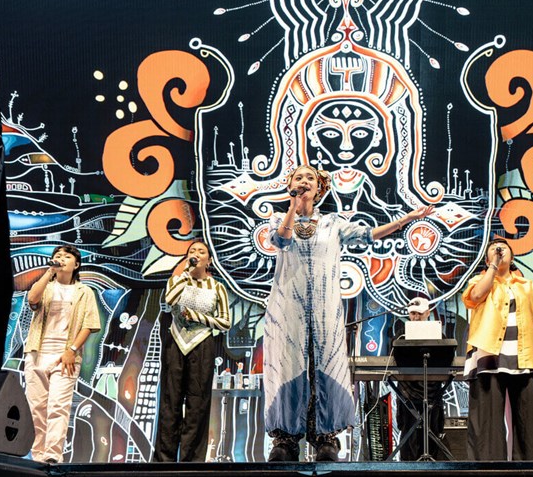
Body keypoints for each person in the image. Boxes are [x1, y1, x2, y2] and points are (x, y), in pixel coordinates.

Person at [263, 164, 434, 462]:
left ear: (320, 189)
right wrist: (293, 206)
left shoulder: (333, 223)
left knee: (324, 367)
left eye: (310, 179)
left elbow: (370, 234)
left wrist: (407, 219)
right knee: (288, 368)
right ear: (290, 184)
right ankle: (286, 439)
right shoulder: (279, 218)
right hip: (288, 310)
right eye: (298, 178)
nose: (304, 182)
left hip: (325, 311)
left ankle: (325, 437)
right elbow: (281, 240)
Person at [462, 238, 533, 461]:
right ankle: (489, 468)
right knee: (488, 419)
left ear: (512, 257)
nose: (499, 251)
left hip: (523, 353)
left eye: (503, 249)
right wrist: (492, 267)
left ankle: (532, 467)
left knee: (528, 417)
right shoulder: (479, 280)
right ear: (487, 258)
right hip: (489, 354)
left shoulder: (526, 285)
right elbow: (475, 297)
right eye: (493, 249)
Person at [154, 241, 231, 462]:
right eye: (191, 252)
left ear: (209, 260)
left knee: (197, 404)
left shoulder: (217, 287)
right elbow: (169, 301)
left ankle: (192, 461)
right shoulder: (177, 280)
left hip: (202, 343)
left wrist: (198, 317)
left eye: (201, 252)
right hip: (176, 342)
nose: (195, 254)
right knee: (171, 402)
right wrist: (186, 274)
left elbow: (225, 323)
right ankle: (164, 460)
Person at [24, 244, 101, 463]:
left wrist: (72, 350)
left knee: (58, 406)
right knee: (36, 408)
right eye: (57, 256)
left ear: (76, 264)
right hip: (38, 353)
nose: (61, 259)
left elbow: (89, 324)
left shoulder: (84, 292)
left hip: (66, 356)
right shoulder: (46, 286)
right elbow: (32, 298)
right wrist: (49, 271)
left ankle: (52, 456)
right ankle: (36, 456)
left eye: (67, 257)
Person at [393, 297, 446, 461]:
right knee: (409, 435)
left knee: (432, 433)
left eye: (419, 314)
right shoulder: (402, 334)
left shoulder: (439, 335)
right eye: (412, 314)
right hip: (408, 394)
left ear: (428, 313)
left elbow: (447, 358)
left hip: (432, 394)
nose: (415, 317)